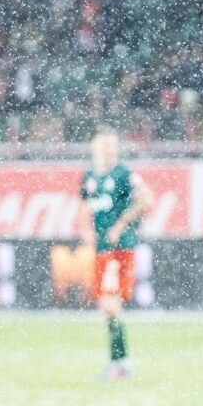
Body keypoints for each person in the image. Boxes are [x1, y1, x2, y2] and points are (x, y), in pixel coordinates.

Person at [78, 127, 154, 380]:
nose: (108, 151)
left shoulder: (124, 174)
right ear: (94, 148)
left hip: (118, 248)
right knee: (107, 306)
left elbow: (147, 199)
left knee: (111, 305)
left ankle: (118, 364)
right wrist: (86, 230)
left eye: (112, 146)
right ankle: (121, 362)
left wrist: (121, 224)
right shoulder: (89, 176)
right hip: (101, 250)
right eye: (104, 146)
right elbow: (83, 204)